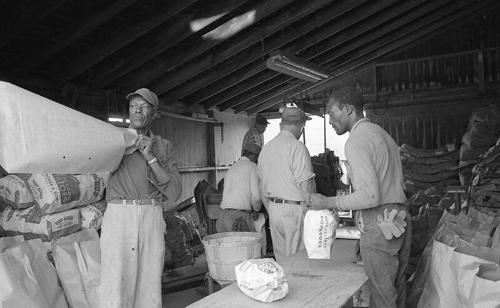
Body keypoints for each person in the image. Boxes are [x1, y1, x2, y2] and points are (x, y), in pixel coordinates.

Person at [308, 87, 411, 308]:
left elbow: (370, 196)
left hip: (381, 222)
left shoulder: (356, 140)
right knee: (396, 285)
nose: (330, 122)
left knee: (382, 293)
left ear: (348, 109)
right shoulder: (382, 134)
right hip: (400, 218)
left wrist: (327, 202)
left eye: (332, 115)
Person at [100, 88, 182, 308]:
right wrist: (120, 147)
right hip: (120, 215)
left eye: (144, 106)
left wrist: (150, 156)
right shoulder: (114, 140)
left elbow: (174, 192)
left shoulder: (163, 146)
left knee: (149, 283)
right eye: (133, 106)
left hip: (151, 215)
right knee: (116, 282)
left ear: (154, 113)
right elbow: (96, 169)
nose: (137, 110)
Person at [257, 106, 316, 260]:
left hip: (274, 209)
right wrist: (313, 212)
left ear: (281, 125)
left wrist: (272, 210)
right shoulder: (297, 147)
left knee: (282, 260)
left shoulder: (266, 149)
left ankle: (284, 284)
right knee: (297, 259)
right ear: (300, 125)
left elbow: (260, 187)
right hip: (294, 210)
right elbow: (306, 187)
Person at [217, 143, 263, 233]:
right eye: (258, 157)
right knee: (250, 246)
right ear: (253, 156)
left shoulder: (232, 168)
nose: (258, 161)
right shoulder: (252, 167)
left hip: (222, 217)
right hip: (238, 219)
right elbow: (257, 196)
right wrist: (257, 210)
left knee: (227, 247)